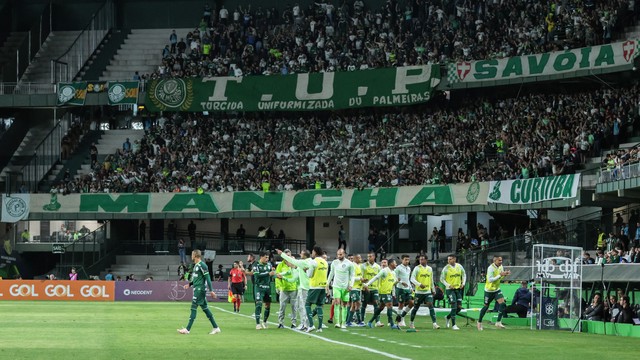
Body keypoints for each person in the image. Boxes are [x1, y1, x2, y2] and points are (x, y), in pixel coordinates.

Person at [177, 249, 221, 335]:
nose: (191, 256)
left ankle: (187, 329)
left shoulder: (202, 265)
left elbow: (208, 278)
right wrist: (189, 284)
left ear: (196, 255)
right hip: (197, 289)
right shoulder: (196, 265)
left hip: (200, 290)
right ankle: (216, 327)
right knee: (205, 309)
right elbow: (197, 279)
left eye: (192, 254)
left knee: (193, 307)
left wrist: (211, 290)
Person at [277, 248, 313, 331]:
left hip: (303, 288)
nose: (289, 262)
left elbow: (292, 279)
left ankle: (305, 324)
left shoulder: (301, 265)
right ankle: (304, 323)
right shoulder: (299, 267)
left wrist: (281, 253)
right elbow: (287, 273)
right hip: (301, 288)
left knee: (302, 307)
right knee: (301, 307)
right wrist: (278, 274)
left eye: (301, 254)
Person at [364, 258, 400, 330]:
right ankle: (392, 324)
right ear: (391, 264)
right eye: (395, 263)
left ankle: (370, 322)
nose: (396, 264)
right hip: (384, 292)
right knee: (389, 306)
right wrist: (367, 284)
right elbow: (376, 277)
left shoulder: (393, 272)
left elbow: (392, 283)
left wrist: (397, 283)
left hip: (388, 292)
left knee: (380, 308)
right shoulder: (384, 271)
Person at [477, 256, 511, 330]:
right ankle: (479, 322)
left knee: (502, 304)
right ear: (494, 261)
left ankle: (498, 322)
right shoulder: (490, 268)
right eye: (499, 260)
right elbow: (490, 280)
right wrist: (500, 275)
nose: (501, 262)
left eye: (501, 260)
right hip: (489, 290)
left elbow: (500, 278)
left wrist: (505, 274)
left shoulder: (501, 267)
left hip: (496, 289)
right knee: (486, 307)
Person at [245, 251, 275, 330]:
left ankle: (264, 322)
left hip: (267, 287)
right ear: (261, 257)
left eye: (268, 257)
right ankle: (258, 324)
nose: (267, 259)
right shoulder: (256, 265)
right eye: (266, 257)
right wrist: (268, 274)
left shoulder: (269, 264)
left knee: (268, 305)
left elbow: (272, 274)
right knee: (258, 304)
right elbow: (257, 275)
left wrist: (275, 275)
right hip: (259, 287)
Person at [326, 248, 354, 329]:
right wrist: (327, 283)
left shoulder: (349, 264)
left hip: (345, 287)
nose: (339, 256)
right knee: (337, 302)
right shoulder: (334, 262)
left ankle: (343, 323)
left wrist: (351, 285)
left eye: (341, 254)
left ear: (344, 254)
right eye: (338, 254)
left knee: (345, 304)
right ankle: (337, 322)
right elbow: (331, 273)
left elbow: (352, 275)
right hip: (336, 286)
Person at [410, 254, 440, 329]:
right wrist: (419, 284)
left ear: (426, 260)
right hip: (418, 292)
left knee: (430, 304)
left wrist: (433, 290)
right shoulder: (417, 268)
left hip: (427, 291)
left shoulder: (429, 269)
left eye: (422, 259)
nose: (421, 261)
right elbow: (412, 279)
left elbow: (431, 280)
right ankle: (411, 323)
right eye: (420, 259)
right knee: (416, 307)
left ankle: (434, 323)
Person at [440, 254, 466, 330]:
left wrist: (463, 283)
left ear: (454, 259)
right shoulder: (446, 268)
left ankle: (448, 317)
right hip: (450, 290)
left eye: (450, 259)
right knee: (454, 306)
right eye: (448, 259)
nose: (449, 261)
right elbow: (442, 279)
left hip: (458, 289)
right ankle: (453, 325)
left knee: (459, 308)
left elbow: (464, 275)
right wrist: (448, 285)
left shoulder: (459, 266)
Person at [275, 249, 298, 329]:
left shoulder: (294, 264)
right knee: (282, 306)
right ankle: (281, 323)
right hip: (284, 289)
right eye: (286, 256)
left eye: (289, 255)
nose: (288, 257)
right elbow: (277, 277)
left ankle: (294, 323)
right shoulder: (280, 265)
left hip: (293, 288)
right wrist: (278, 287)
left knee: (294, 307)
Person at [360, 251, 382, 327]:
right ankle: (362, 321)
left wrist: (379, 288)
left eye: (370, 256)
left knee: (376, 304)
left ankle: (377, 321)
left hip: (375, 288)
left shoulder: (378, 267)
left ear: (374, 257)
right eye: (368, 256)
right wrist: (364, 286)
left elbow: (379, 279)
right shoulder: (363, 266)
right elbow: (361, 278)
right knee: (364, 305)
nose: (368, 258)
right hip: (366, 288)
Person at [394, 254, 414, 327]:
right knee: (401, 304)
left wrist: (411, 288)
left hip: (407, 289)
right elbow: (394, 278)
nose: (407, 261)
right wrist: (401, 282)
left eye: (408, 260)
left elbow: (408, 279)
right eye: (405, 260)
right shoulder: (398, 268)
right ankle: (400, 321)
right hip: (400, 289)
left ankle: (402, 316)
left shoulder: (409, 268)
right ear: (402, 260)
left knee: (412, 303)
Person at [346, 253, 365, 327]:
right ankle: (352, 321)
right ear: (355, 258)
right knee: (358, 303)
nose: (361, 259)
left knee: (355, 305)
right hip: (353, 287)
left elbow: (359, 276)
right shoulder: (352, 265)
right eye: (359, 258)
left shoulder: (360, 266)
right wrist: (360, 279)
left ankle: (352, 321)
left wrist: (363, 282)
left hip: (358, 288)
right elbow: (352, 277)